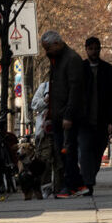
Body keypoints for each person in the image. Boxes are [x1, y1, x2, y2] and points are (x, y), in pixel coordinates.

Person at [39, 32, 88, 197]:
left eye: (48, 48)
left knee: (68, 151)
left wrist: (68, 115)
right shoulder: (58, 59)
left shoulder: (71, 59)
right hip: (59, 114)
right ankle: (77, 184)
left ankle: (71, 185)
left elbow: (75, 90)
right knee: (64, 151)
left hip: (67, 115)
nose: (46, 52)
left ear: (57, 43)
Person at [75, 37, 112, 194]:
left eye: (96, 48)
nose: (94, 52)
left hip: (103, 121)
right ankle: (88, 183)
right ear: (86, 49)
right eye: (91, 49)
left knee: (97, 152)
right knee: (85, 151)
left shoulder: (109, 70)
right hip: (84, 121)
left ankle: (89, 178)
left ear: (100, 49)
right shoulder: (80, 69)